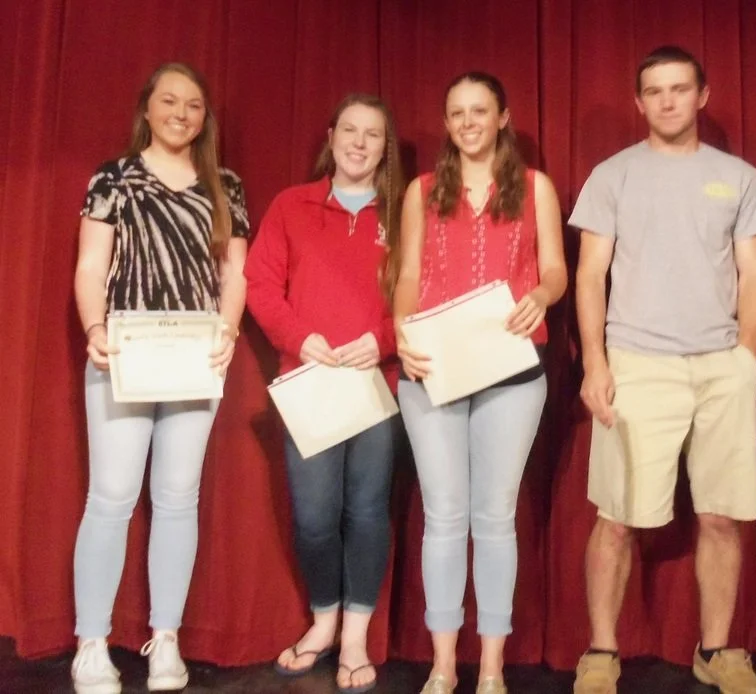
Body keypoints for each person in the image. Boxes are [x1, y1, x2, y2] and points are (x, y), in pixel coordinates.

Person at [570, 45, 756, 694]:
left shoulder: (737, 177)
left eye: (679, 89)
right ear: (639, 103)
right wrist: (596, 363)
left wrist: (745, 357)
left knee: (720, 515)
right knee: (618, 517)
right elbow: (589, 275)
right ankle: (602, 651)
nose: (667, 101)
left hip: (721, 366)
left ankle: (716, 650)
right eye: (654, 91)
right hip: (637, 363)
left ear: (702, 95)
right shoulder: (612, 175)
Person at [70, 62, 249, 694]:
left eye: (194, 105)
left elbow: (234, 277)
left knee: (178, 499)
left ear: (205, 117)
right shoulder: (114, 178)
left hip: (193, 358)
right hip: (125, 353)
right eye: (169, 101)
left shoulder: (224, 185)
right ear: (147, 108)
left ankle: (165, 640)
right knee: (112, 497)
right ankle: (91, 643)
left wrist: (226, 332)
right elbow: (93, 266)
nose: (181, 113)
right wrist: (96, 329)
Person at [393, 71, 567, 694]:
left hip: (511, 369)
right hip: (435, 365)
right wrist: (401, 328)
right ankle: (443, 665)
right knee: (443, 517)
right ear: (446, 123)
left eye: (479, 111)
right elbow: (409, 271)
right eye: (456, 113)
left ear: (502, 117)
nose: (468, 122)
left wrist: (542, 297)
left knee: (493, 519)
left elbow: (554, 269)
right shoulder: (421, 190)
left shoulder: (536, 187)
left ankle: (491, 668)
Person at [245, 93, 403, 694]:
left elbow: (419, 296)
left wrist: (383, 339)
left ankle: (355, 639)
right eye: (350, 130)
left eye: (374, 135)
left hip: (375, 387)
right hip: (308, 386)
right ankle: (323, 622)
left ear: (385, 147)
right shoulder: (292, 205)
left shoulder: (403, 210)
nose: (360, 143)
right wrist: (297, 335)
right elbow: (259, 283)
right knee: (313, 518)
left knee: (366, 513)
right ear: (331, 134)